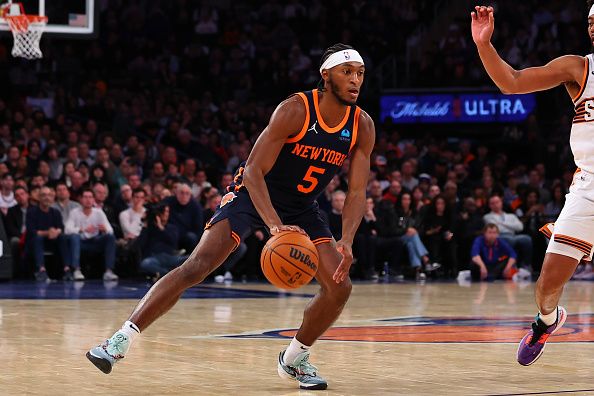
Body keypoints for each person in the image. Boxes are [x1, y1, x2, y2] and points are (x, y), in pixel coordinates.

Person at [87, 43, 374, 391]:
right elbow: (253, 171)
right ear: (326, 75)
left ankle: (294, 360)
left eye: (359, 73)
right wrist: (274, 226)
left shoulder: (362, 126)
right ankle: (119, 341)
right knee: (198, 265)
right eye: (347, 72)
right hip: (254, 195)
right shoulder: (295, 110)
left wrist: (346, 241)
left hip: (302, 206)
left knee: (339, 286)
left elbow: (357, 192)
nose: (355, 80)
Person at [471, 4, 592, 366]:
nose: (592, 28)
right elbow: (513, 82)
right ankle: (546, 322)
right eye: (589, 22)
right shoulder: (580, 67)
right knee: (547, 285)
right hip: (589, 188)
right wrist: (483, 45)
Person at [64, 189, 118, 281]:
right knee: (74, 237)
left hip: (95, 241)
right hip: (81, 242)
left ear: (93, 200)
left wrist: (105, 229)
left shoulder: (99, 212)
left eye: (90, 197)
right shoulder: (74, 212)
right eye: (85, 197)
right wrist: (82, 229)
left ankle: (109, 271)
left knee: (110, 237)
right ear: (80, 199)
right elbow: (67, 230)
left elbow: (110, 230)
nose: (88, 200)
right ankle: (76, 270)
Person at [25, 186, 70, 281]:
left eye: (49, 195)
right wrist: (48, 233)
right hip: (35, 243)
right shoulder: (31, 212)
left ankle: (67, 269)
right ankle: (41, 270)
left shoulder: (55, 212)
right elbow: (31, 231)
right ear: (39, 198)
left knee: (62, 237)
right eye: (43, 195)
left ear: (53, 197)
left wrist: (56, 232)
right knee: (38, 238)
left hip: (52, 241)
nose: (47, 197)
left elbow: (61, 228)